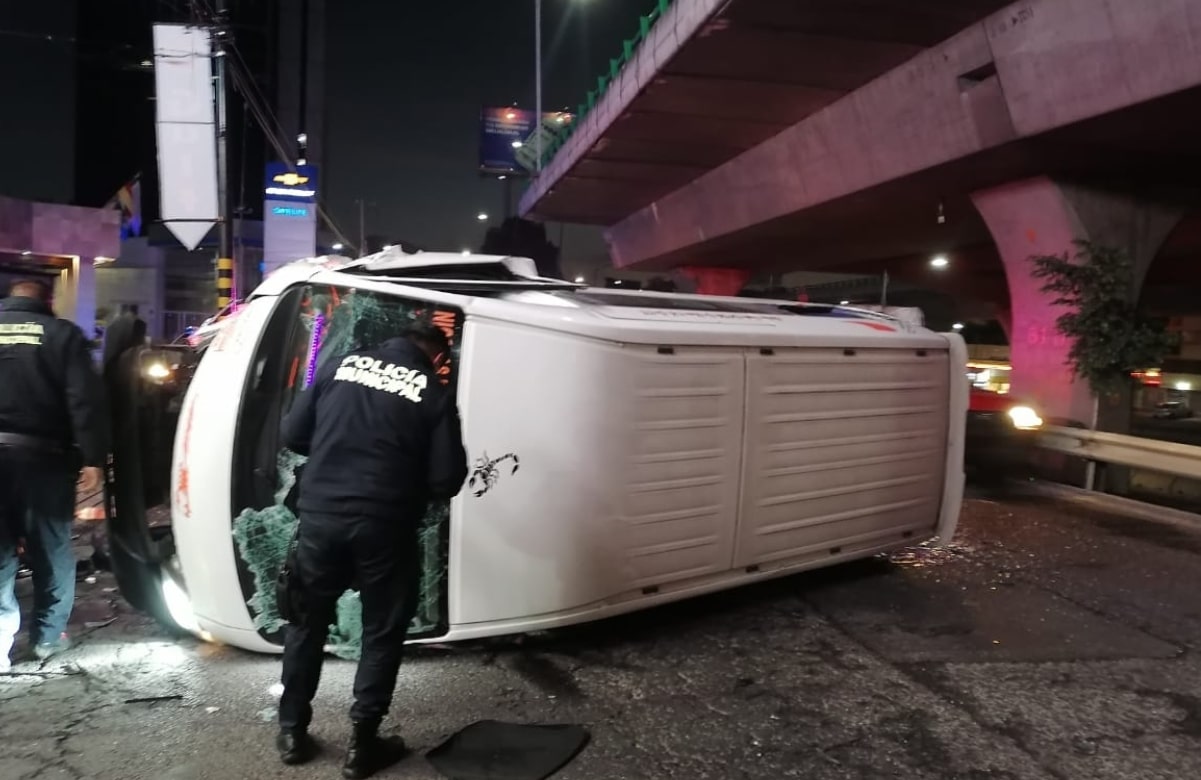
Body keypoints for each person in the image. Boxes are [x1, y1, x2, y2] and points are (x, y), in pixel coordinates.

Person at [276, 318, 468, 779]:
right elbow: (447, 479)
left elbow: (294, 435)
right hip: (385, 525)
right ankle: (363, 747)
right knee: (381, 632)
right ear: (433, 353)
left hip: (320, 520)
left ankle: (291, 731)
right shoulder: (430, 390)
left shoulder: (338, 366)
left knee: (307, 623)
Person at [0, 278, 108, 672]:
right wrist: (94, 458)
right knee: (51, 549)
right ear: (48, 301)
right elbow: (83, 400)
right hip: (42, 461)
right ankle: (47, 638)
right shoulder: (63, 335)